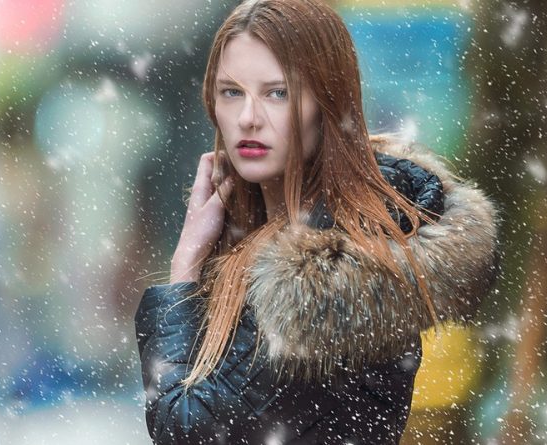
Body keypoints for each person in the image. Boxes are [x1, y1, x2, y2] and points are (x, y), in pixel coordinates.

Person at [134, 0, 500, 443]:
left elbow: (185, 430)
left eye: (278, 92)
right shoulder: (257, 249)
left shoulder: (329, 276)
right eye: (232, 92)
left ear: (327, 102)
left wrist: (184, 266)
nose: (248, 117)